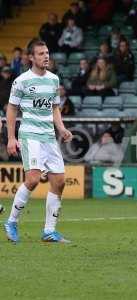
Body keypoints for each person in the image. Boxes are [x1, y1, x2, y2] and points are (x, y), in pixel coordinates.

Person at [4, 39, 73, 243]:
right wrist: (10, 137)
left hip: (49, 137)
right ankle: (12, 222)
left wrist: (61, 128)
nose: (46, 56)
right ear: (31, 58)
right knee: (33, 179)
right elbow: (11, 108)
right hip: (30, 135)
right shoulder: (22, 81)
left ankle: (49, 231)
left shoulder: (53, 80)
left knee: (59, 182)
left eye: (47, 53)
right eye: (41, 53)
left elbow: (54, 107)